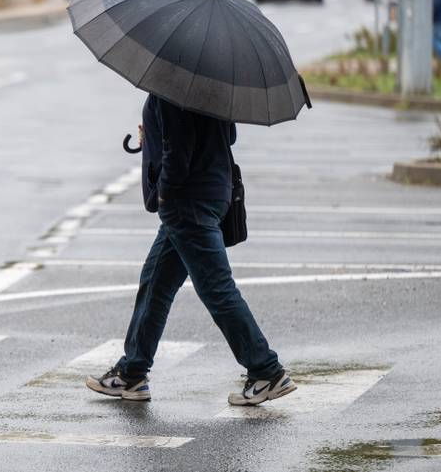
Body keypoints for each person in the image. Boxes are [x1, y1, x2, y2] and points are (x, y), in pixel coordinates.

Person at [85, 94, 296, 406]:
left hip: (187, 202)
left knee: (216, 289)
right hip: (211, 192)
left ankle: (266, 370)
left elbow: (178, 153)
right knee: (156, 282)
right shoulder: (212, 86)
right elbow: (228, 135)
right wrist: (154, 138)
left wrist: (164, 196)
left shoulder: (171, 89)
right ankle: (131, 373)